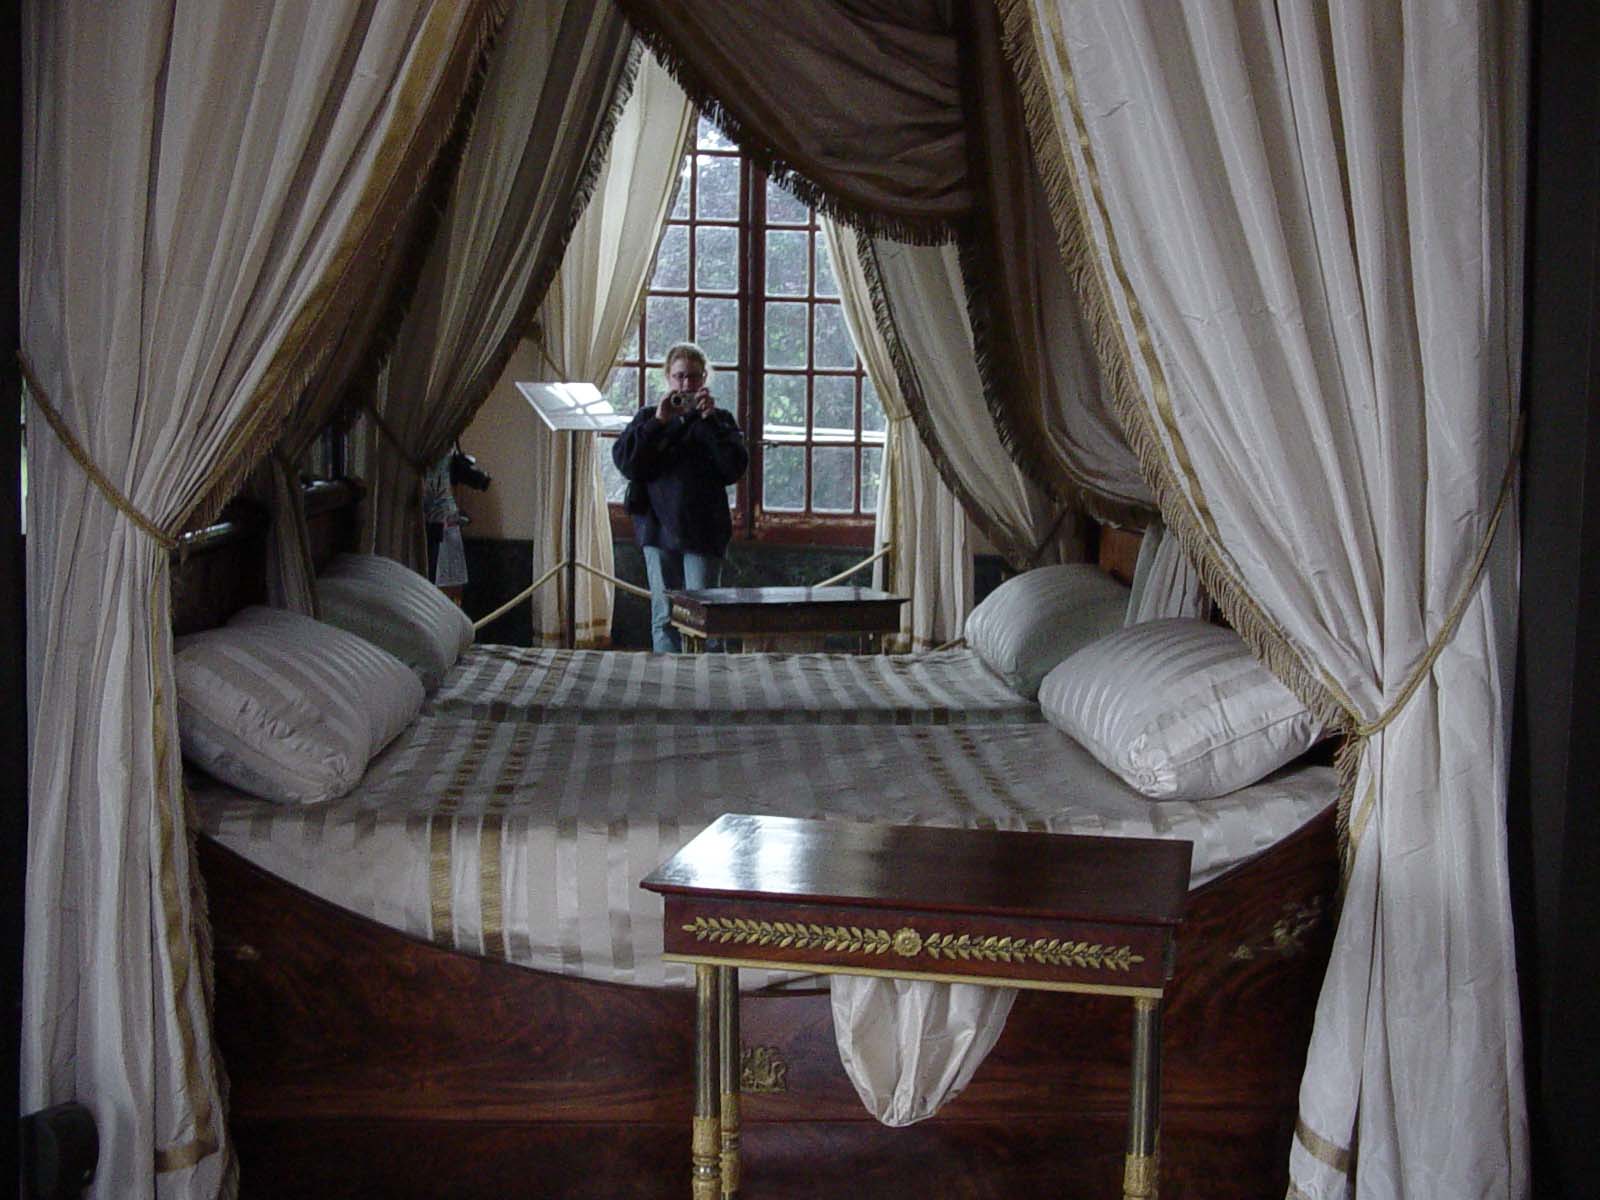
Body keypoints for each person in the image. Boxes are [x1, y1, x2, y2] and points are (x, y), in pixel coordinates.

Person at [611, 341, 748, 652]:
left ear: (704, 379)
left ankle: (709, 681)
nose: (686, 384)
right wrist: (659, 421)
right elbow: (627, 463)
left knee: (707, 620)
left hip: (704, 532)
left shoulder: (719, 420)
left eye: (694, 377)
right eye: (680, 376)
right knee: (664, 618)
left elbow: (733, 469)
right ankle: (667, 680)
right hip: (658, 530)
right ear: (668, 378)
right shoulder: (649, 417)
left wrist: (708, 421)